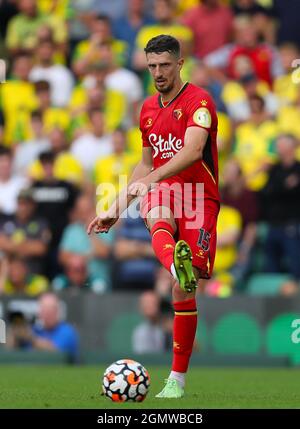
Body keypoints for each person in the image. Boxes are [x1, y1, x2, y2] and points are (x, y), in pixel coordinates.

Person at [88, 34, 220, 398]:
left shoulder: (199, 101)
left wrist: (148, 179)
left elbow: (193, 151)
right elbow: (145, 163)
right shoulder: (146, 109)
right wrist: (116, 208)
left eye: (164, 65)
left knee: (182, 292)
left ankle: (177, 379)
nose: (158, 73)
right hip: (164, 190)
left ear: (180, 63)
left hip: (200, 198)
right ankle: (178, 266)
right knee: (156, 208)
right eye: (151, 66)